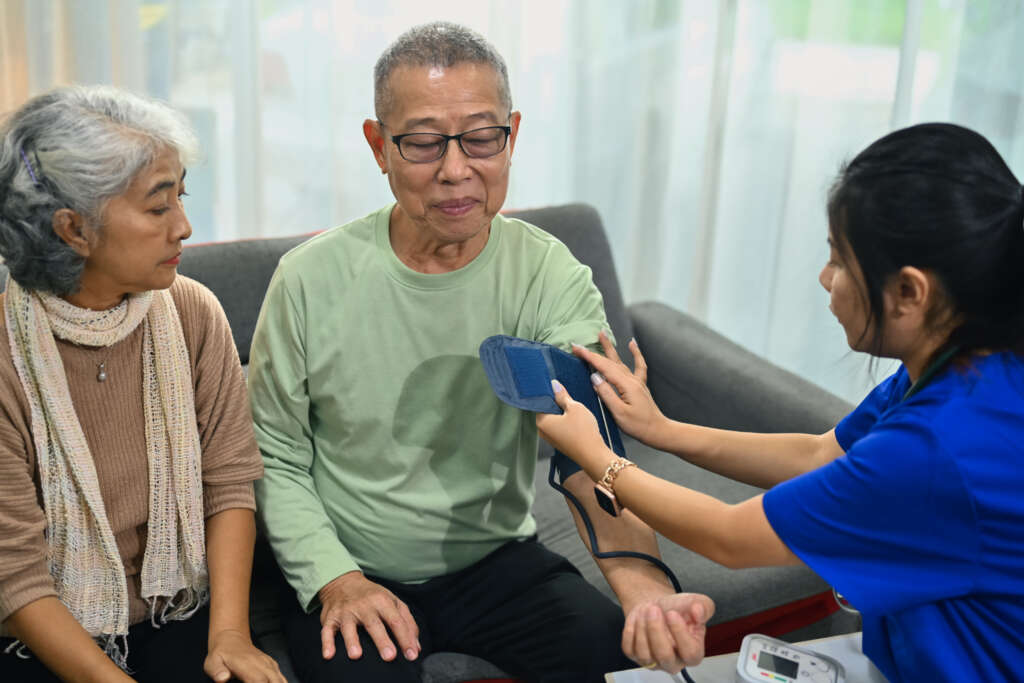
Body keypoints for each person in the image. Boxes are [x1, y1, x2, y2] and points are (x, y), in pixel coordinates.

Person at [248, 21, 711, 683]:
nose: (456, 169)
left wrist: (644, 591)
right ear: (378, 147)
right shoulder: (308, 278)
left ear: (512, 135)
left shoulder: (550, 276)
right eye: (423, 142)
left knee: (608, 654)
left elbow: (594, 458)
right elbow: (276, 455)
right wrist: (336, 580)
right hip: (355, 562)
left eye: (481, 137)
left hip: (497, 559)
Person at [537, 122, 1024, 682]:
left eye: (840, 261)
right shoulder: (971, 364)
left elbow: (729, 536)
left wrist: (599, 459)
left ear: (911, 292)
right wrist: (660, 428)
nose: (825, 279)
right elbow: (820, 454)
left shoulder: (940, 450)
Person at [0, 86, 284, 683]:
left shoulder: (191, 311)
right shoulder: (7, 355)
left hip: (175, 607)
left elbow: (230, 483)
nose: (184, 226)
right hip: (40, 634)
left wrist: (230, 635)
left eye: (180, 196)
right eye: (158, 208)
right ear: (73, 229)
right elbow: (15, 574)